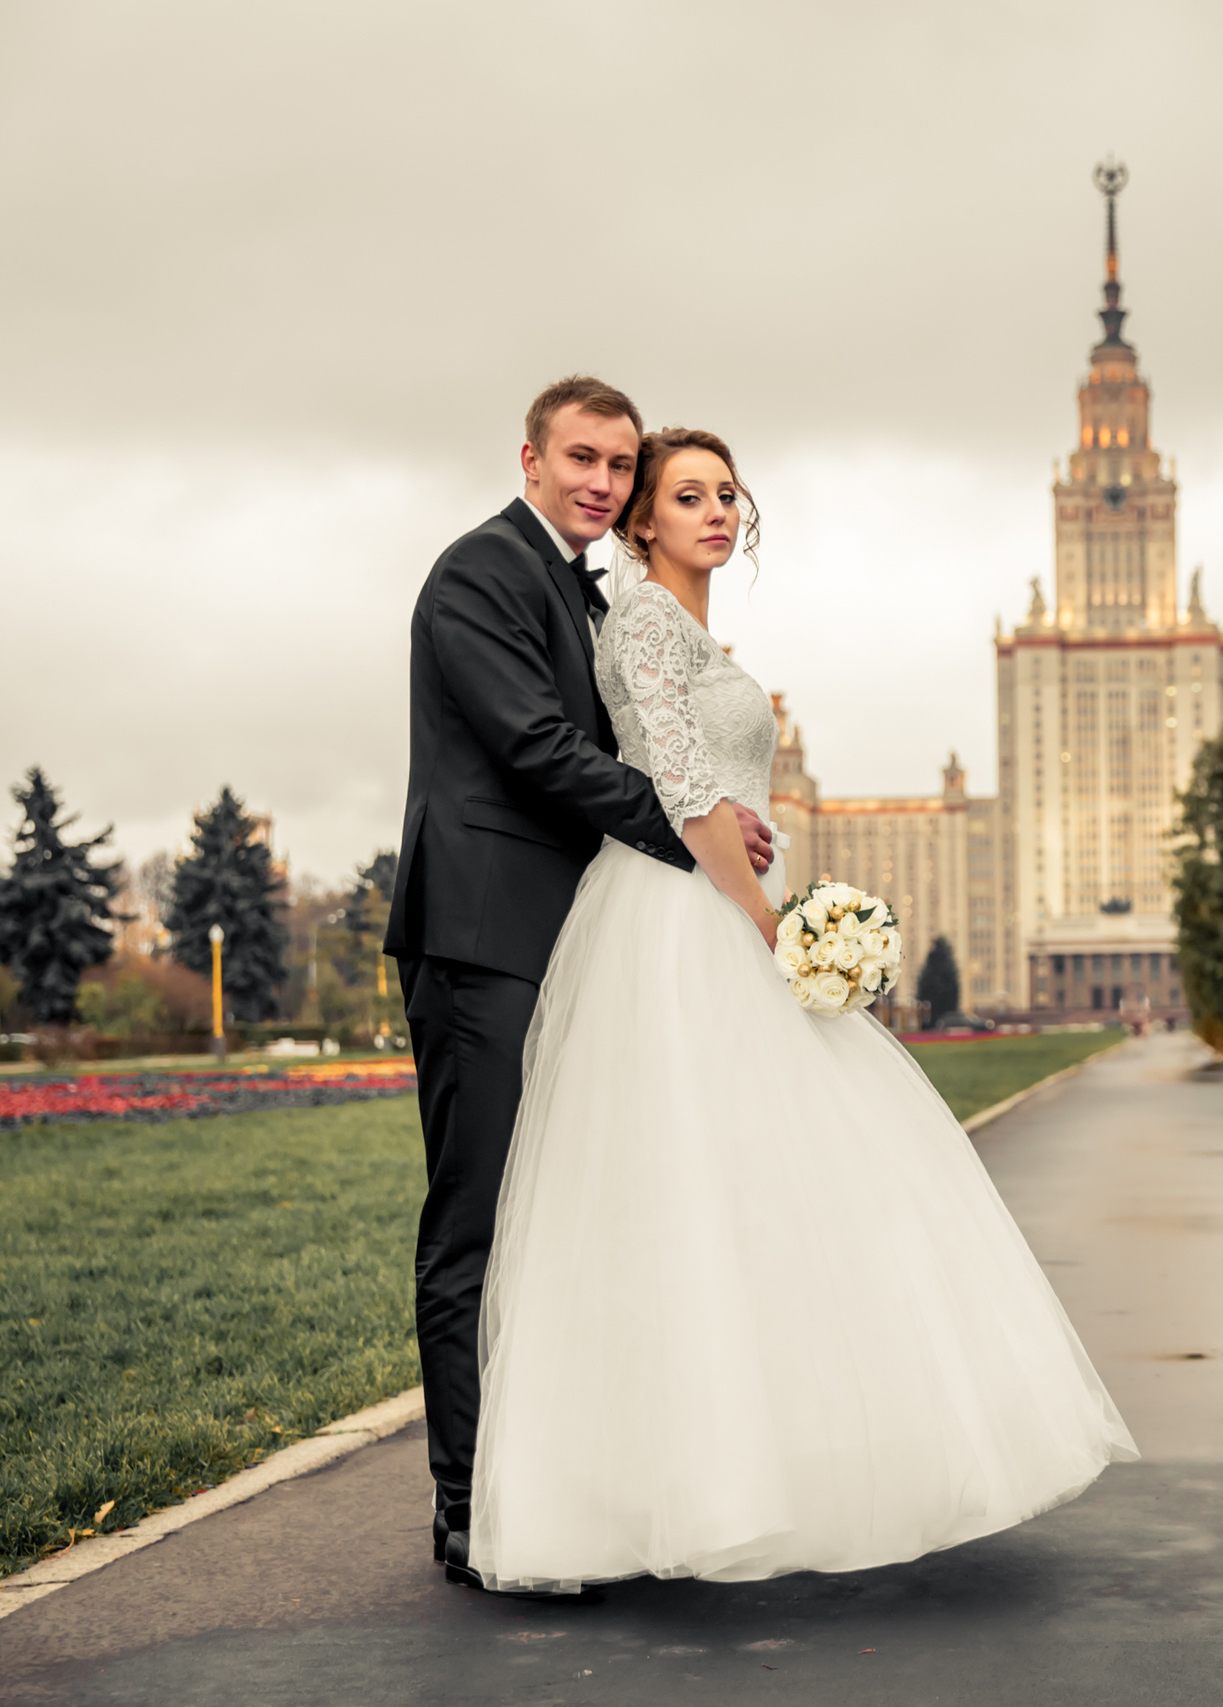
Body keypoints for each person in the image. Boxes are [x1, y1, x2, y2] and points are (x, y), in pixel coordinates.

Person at [467, 427, 1137, 1593]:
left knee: (763, 1190)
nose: (718, 511)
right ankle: (675, 1489)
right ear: (642, 524)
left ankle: (761, 1467)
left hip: (717, 892)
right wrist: (772, 924)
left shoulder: (685, 628)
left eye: (727, 492)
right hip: (682, 920)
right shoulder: (640, 622)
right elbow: (679, 792)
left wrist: (756, 874)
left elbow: (708, 791)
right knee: (688, 1188)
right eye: (687, 496)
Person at [383, 377, 776, 1588]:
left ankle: (556, 1481)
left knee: (563, 1221)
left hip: (561, 939)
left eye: (618, 464)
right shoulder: (478, 575)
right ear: (532, 458)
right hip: (482, 936)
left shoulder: (584, 587)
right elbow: (538, 751)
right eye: (584, 461)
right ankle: (463, 1502)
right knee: (480, 1223)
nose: (603, 481)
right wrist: (692, 838)